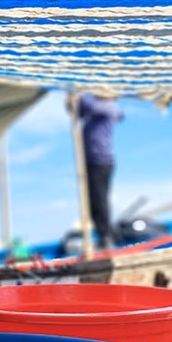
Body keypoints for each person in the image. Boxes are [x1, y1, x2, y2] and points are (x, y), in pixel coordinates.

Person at [68, 93, 124, 250]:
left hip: (101, 161)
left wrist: (77, 93)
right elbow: (79, 111)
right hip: (91, 161)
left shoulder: (109, 107)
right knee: (92, 202)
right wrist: (72, 103)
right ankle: (103, 236)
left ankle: (106, 237)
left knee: (100, 200)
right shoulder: (97, 111)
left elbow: (87, 105)